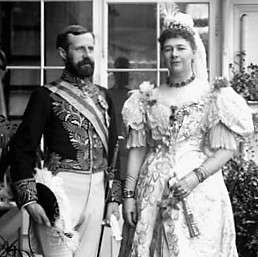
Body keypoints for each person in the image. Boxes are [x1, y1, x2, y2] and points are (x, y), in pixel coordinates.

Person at [118, 5, 254, 257]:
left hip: (200, 188)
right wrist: (128, 194)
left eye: (181, 48)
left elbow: (227, 148)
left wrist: (195, 177)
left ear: (193, 52)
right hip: (152, 188)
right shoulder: (146, 98)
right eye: (168, 49)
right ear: (162, 55)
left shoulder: (213, 95)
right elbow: (136, 151)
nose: (174, 55)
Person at [9, 25, 122, 257]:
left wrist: (114, 197)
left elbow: (115, 150)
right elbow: (22, 148)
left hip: (98, 191)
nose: (87, 54)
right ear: (63, 53)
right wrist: (29, 200)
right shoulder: (46, 95)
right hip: (61, 189)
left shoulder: (104, 96)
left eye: (90, 48)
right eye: (79, 49)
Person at [108, 57, 131, 179]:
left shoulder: (131, 96)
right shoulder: (108, 95)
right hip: (111, 147)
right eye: (119, 72)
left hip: (128, 149)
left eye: (124, 73)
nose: (121, 76)